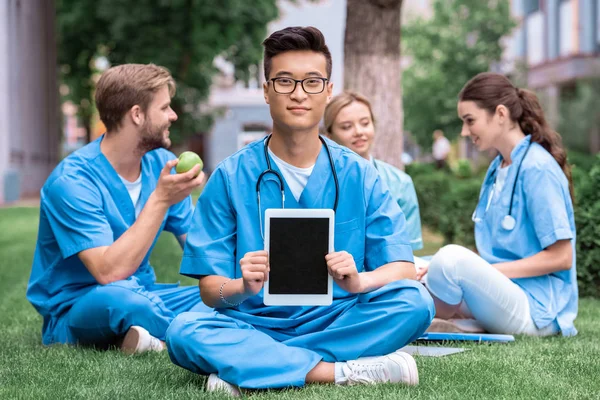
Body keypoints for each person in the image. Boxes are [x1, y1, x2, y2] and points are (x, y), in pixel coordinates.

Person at [166, 26, 434, 394]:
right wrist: (243, 286)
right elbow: (211, 292)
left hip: (338, 317)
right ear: (266, 90)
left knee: (415, 302)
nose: (298, 94)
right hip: (253, 319)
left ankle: (249, 365)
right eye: (284, 82)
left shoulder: (359, 174)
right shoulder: (230, 177)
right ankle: (339, 372)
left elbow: (403, 267)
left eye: (311, 82)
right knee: (184, 332)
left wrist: (359, 282)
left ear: (327, 90)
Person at [27, 63, 210, 354]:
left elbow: (202, 246)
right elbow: (107, 272)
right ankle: (200, 333)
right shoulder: (72, 182)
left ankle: (151, 337)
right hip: (81, 304)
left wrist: (238, 282)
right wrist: (161, 199)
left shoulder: (159, 164)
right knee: (123, 299)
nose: (173, 116)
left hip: (145, 292)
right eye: (164, 108)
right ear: (136, 114)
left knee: (222, 298)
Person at [417, 72, 577, 337]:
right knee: (410, 264)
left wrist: (484, 270)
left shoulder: (538, 167)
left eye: (470, 121)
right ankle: (462, 321)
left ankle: (448, 317)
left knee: (449, 259)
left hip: (537, 309)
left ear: (501, 114)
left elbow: (562, 257)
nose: (464, 132)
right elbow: (496, 253)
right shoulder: (498, 168)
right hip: (504, 291)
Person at [324, 91, 423, 251]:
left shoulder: (400, 183)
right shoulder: (318, 184)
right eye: (346, 127)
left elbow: (410, 250)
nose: (359, 132)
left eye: (365, 123)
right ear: (329, 135)